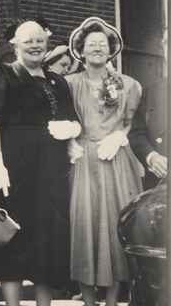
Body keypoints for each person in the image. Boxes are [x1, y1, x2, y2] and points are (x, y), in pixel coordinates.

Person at [0, 20, 81, 306]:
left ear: (47, 43)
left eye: (39, 40)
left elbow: (71, 118)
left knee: (48, 239)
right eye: (28, 41)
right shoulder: (3, 74)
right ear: (15, 45)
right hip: (15, 168)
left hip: (51, 171)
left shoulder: (58, 81)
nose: (35, 45)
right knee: (13, 237)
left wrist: (71, 131)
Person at [66, 17, 144, 306]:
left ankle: (112, 300)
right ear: (81, 50)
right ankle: (87, 300)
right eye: (92, 44)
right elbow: (62, 118)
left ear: (111, 50)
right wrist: (70, 141)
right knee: (84, 226)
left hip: (115, 162)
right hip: (84, 161)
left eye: (103, 44)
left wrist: (119, 137)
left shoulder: (128, 85)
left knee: (115, 227)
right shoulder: (70, 83)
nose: (98, 48)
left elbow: (130, 124)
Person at [128, 32, 168, 189]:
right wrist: (151, 156)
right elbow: (136, 132)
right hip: (159, 185)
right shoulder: (151, 92)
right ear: (164, 49)